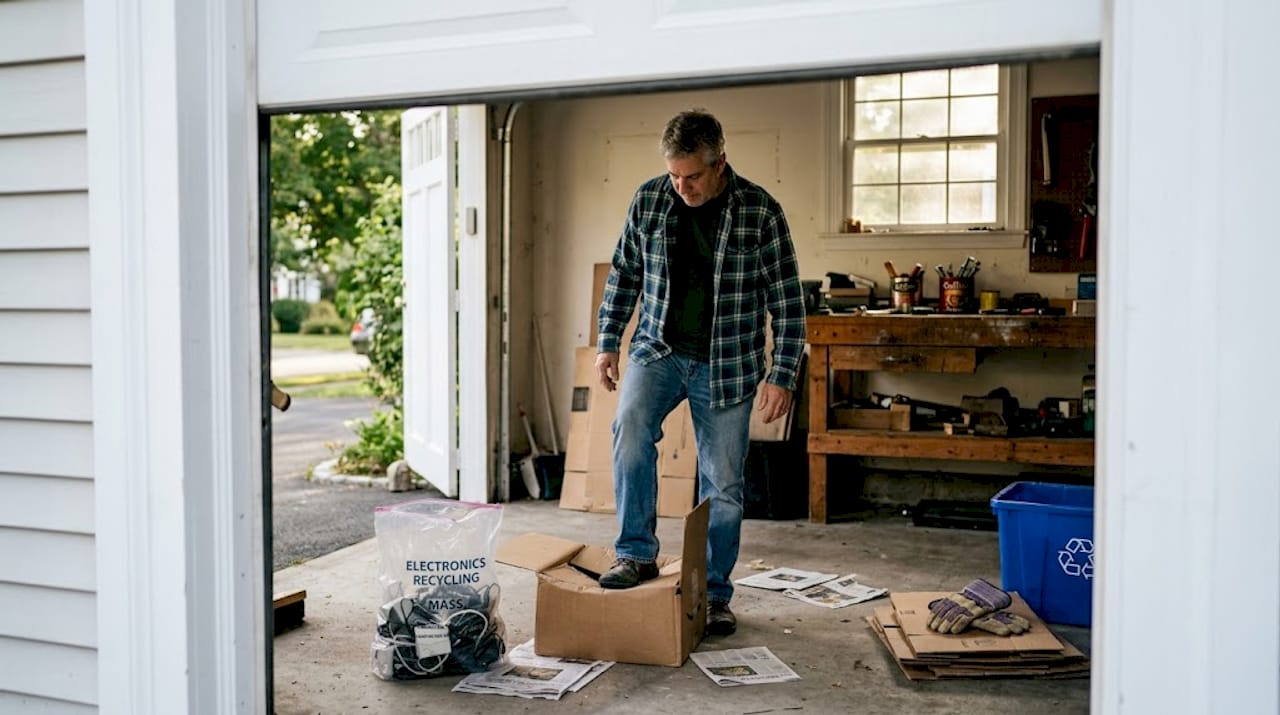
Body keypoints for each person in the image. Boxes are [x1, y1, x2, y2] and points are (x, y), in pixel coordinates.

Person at [594, 109, 806, 636]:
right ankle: (635, 554)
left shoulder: (760, 211)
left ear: (720, 164)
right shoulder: (650, 199)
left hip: (727, 362)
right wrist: (607, 343)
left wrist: (782, 374)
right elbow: (624, 272)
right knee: (629, 433)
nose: (682, 186)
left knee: (723, 483)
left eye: (692, 176)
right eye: (674, 175)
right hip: (657, 349)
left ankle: (712, 592)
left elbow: (787, 300)